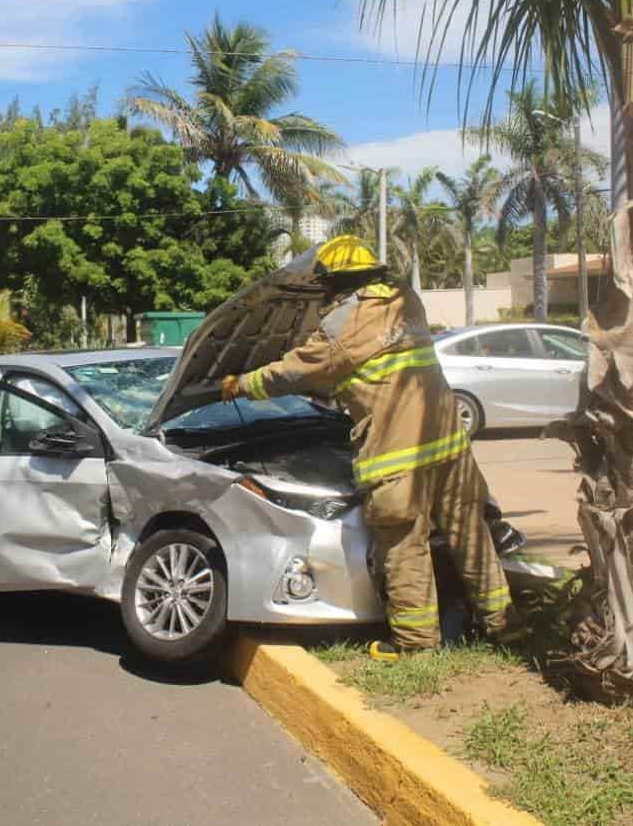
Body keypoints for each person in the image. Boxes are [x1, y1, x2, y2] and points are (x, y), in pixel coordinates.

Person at [221, 236, 516, 661]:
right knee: (471, 533)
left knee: (403, 543)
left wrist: (240, 385)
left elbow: (294, 371)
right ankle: (502, 624)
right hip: (450, 444)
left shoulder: (343, 325)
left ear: (335, 284)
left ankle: (416, 644)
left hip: (398, 455)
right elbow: (366, 367)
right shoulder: (406, 300)